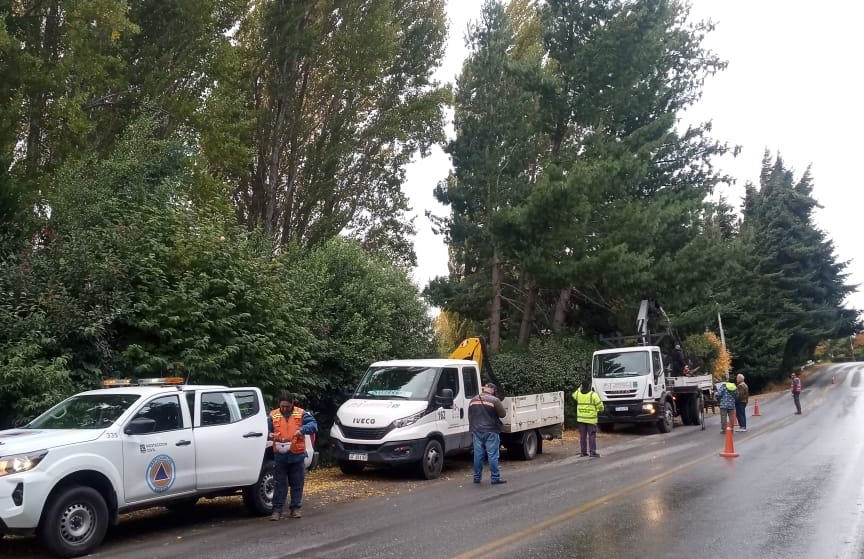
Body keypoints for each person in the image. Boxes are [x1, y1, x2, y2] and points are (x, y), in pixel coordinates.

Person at [268, 391, 318, 520]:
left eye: (287, 406)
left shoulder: (301, 413)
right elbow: (265, 429)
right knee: (279, 484)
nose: (284, 408)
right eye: (282, 406)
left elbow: (313, 425)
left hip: (297, 454)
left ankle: (295, 508)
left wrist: (302, 430)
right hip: (280, 455)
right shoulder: (273, 415)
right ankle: (277, 510)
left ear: (292, 404)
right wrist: (269, 434)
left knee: (297, 483)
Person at [468, 382, 507, 484]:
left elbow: (470, 416)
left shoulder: (473, 400)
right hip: (491, 431)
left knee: (478, 455)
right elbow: (503, 414)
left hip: (477, 431)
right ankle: (495, 478)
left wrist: (472, 429)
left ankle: (477, 477)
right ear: (493, 390)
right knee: (493, 455)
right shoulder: (494, 400)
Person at [572, 378, 605, 457]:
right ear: (589, 386)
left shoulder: (578, 394)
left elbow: (573, 395)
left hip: (581, 419)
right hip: (591, 419)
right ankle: (592, 452)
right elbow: (600, 406)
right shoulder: (593, 395)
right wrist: (601, 410)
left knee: (582, 436)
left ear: (582, 386)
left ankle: (583, 452)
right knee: (591, 435)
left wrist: (579, 388)